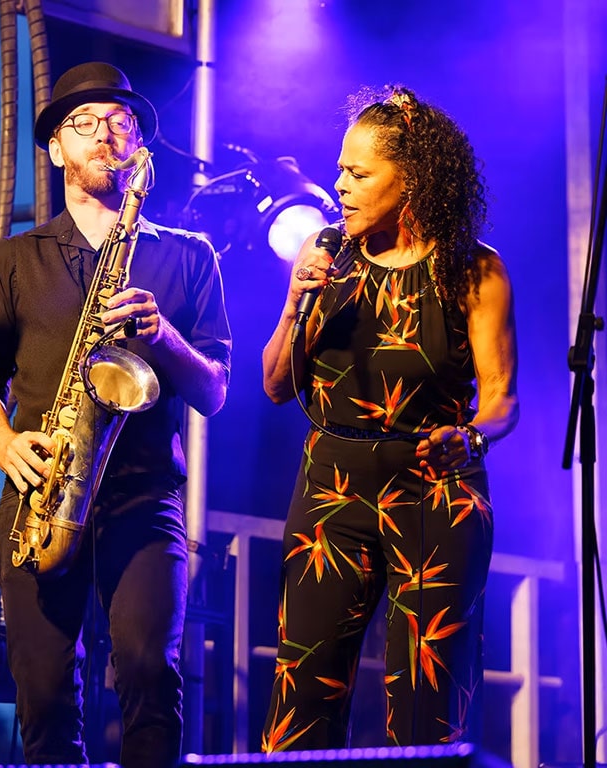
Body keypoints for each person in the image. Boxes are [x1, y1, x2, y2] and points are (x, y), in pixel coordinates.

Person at [0, 61, 231, 767]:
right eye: (84, 123)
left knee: (149, 673)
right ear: (56, 149)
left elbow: (214, 392)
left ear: (138, 144)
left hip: (145, 499)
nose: (105, 134)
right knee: (45, 697)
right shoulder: (14, 259)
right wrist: (5, 444)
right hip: (41, 494)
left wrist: (162, 336)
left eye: (121, 121)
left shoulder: (190, 257)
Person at [259, 85, 518, 749]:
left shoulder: (472, 270)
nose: (339, 186)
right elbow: (276, 385)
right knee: (302, 690)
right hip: (330, 490)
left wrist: (472, 436)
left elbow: (502, 398)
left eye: (359, 173)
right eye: (340, 170)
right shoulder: (326, 253)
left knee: (428, 703)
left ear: (412, 181)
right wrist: (294, 302)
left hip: (434, 492)